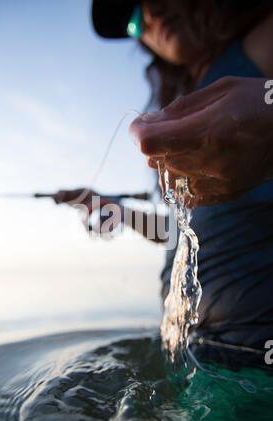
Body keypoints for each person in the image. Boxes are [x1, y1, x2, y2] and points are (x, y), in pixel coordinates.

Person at [90, 0, 273, 352]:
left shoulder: (262, 43)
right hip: (196, 356)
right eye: (134, 19)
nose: (150, 13)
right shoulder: (181, 102)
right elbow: (181, 234)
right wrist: (117, 211)